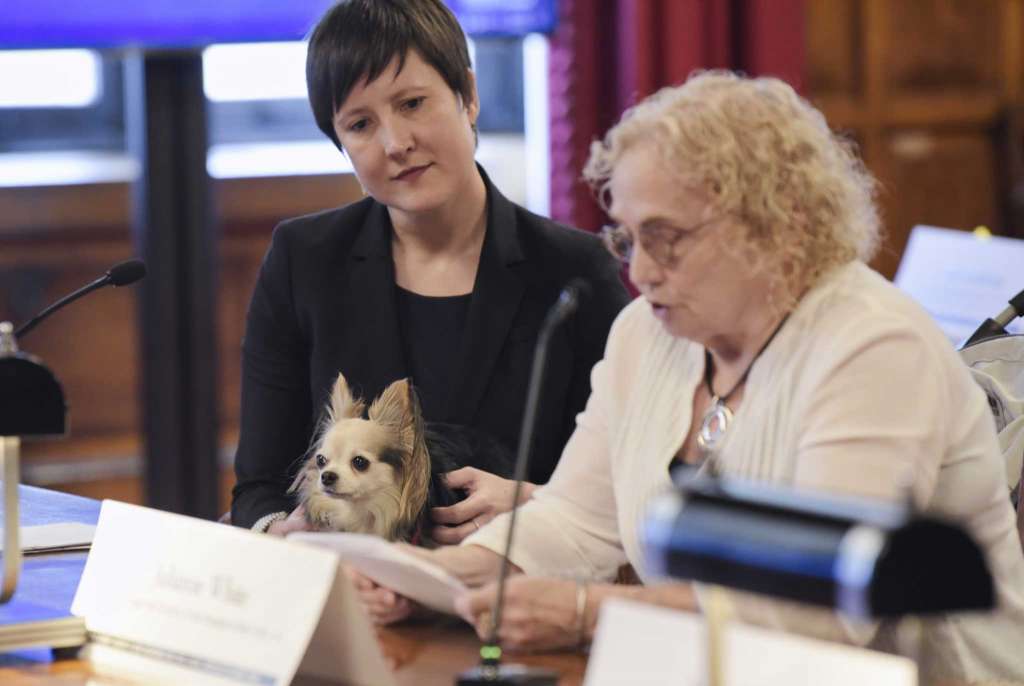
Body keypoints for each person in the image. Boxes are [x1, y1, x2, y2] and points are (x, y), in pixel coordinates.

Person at [360, 71, 1024, 685]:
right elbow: (576, 521)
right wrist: (434, 579)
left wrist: (589, 611)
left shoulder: (873, 348)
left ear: (775, 225)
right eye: (627, 239)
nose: (639, 272)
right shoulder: (646, 335)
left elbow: (817, 615)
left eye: (666, 238)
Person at [230, 0, 630, 538]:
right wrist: (284, 531)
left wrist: (536, 503)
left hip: (518, 594)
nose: (396, 144)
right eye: (361, 124)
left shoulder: (575, 271)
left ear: (468, 95)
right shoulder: (303, 260)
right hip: (353, 591)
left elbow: (630, 481)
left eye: (413, 103)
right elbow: (257, 487)